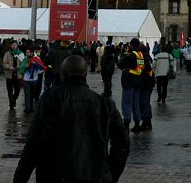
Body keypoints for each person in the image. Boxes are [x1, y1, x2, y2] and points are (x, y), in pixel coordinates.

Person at [12, 55, 129, 183]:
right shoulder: (104, 103)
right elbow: (122, 141)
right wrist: (110, 173)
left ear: (64, 74)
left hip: (56, 175)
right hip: (96, 176)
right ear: (85, 75)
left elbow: (35, 141)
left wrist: (20, 177)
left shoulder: (51, 98)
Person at [117, 38, 145, 131]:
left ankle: (126, 123)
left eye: (130, 44)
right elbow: (141, 68)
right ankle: (137, 123)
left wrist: (124, 54)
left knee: (126, 103)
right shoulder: (140, 54)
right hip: (138, 82)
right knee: (135, 104)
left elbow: (120, 65)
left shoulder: (130, 54)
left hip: (129, 82)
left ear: (132, 45)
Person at [20, 47, 45, 113]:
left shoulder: (37, 59)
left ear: (31, 52)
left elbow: (42, 67)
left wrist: (35, 64)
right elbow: (21, 69)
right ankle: (27, 108)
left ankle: (31, 108)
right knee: (27, 95)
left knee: (32, 95)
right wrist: (26, 66)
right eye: (26, 52)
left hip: (34, 80)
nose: (27, 53)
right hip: (26, 80)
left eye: (28, 52)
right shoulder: (25, 59)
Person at [137, 47, 155, 131]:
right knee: (145, 102)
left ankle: (146, 121)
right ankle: (146, 121)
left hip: (145, 84)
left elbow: (143, 69)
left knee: (143, 102)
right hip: (149, 83)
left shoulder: (143, 59)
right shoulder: (149, 58)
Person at [2, 40, 24, 109]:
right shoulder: (7, 53)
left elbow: (24, 63)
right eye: (13, 45)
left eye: (15, 45)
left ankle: (14, 99)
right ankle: (11, 103)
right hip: (9, 75)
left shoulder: (20, 53)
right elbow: (4, 64)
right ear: (10, 46)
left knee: (17, 90)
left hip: (18, 74)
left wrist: (20, 67)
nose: (14, 46)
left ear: (17, 46)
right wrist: (9, 67)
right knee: (10, 90)